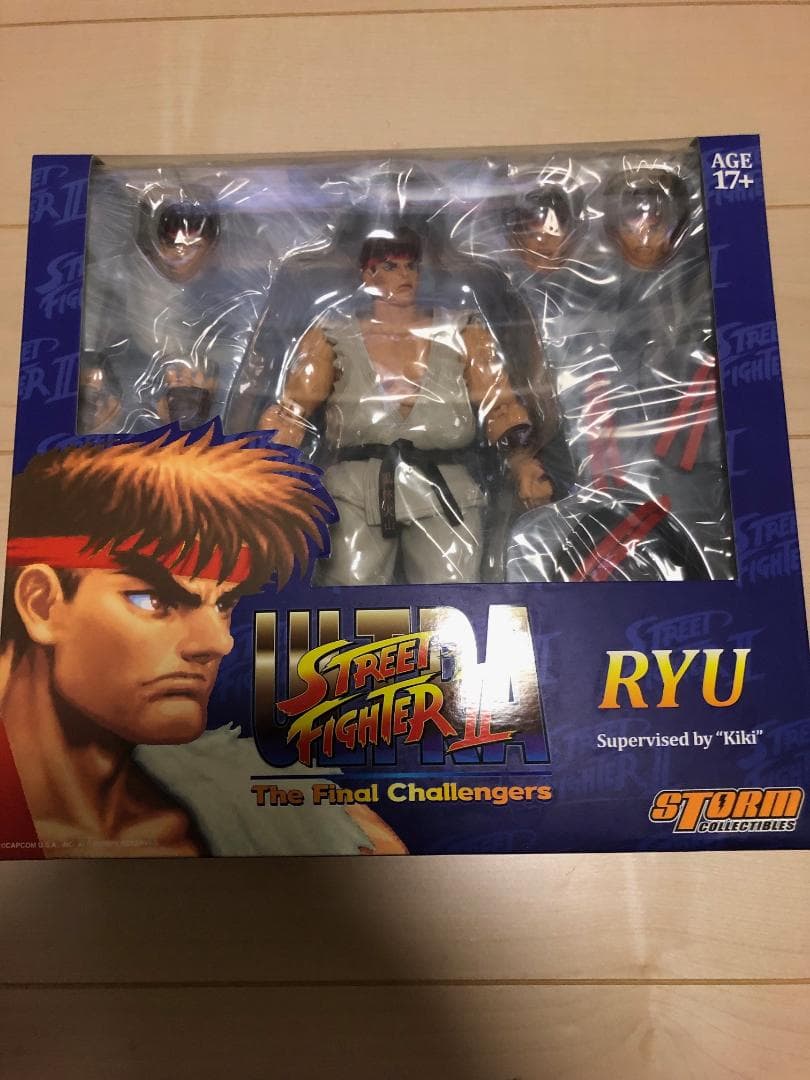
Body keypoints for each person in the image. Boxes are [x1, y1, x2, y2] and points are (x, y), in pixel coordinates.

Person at [0, 425, 405, 857]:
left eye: (224, 603)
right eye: (154, 600)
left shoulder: (274, 802)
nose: (217, 642)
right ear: (42, 604)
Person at [258, 226, 553, 586]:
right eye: (391, 266)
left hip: (444, 488)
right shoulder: (334, 334)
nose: (404, 275)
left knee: (453, 591)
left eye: (411, 266)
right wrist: (265, 473)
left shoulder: (462, 330)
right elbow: (292, 412)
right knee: (348, 592)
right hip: (355, 488)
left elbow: (501, 406)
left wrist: (522, 463)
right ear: (368, 275)